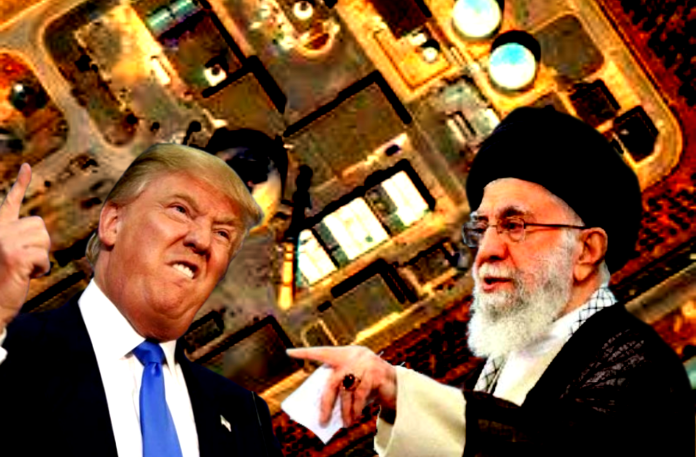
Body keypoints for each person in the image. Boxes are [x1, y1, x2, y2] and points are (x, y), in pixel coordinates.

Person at [287, 107, 695, 456]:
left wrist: (399, 392)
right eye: (481, 228)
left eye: (514, 226)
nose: (487, 251)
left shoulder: (641, 373)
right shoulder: (507, 359)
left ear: (585, 251)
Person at [0, 143, 284, 456]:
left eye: (222, 234)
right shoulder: (14, 352)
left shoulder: (247, 420)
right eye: (180, 210)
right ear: (113, 224)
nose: (202, 240)